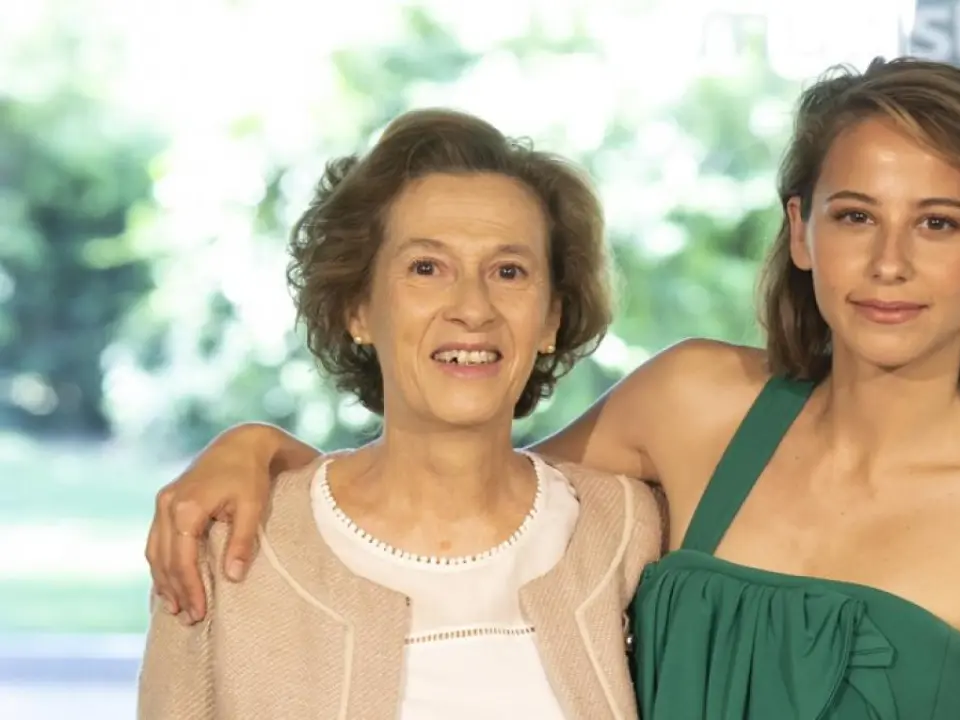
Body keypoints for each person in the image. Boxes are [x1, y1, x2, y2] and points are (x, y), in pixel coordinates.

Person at [146, 57, 960, 719]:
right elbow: (456, 504)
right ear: (800, 232)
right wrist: (263, 454)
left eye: (938, 223)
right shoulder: (695, 405)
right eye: (853, 216)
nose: (888, 264)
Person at [136, 108, 661, 720]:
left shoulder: (630, 533)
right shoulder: (228, 550)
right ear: (358, 308)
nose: (473, 308)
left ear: (551, 319)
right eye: (426, 268)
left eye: (509, 271)